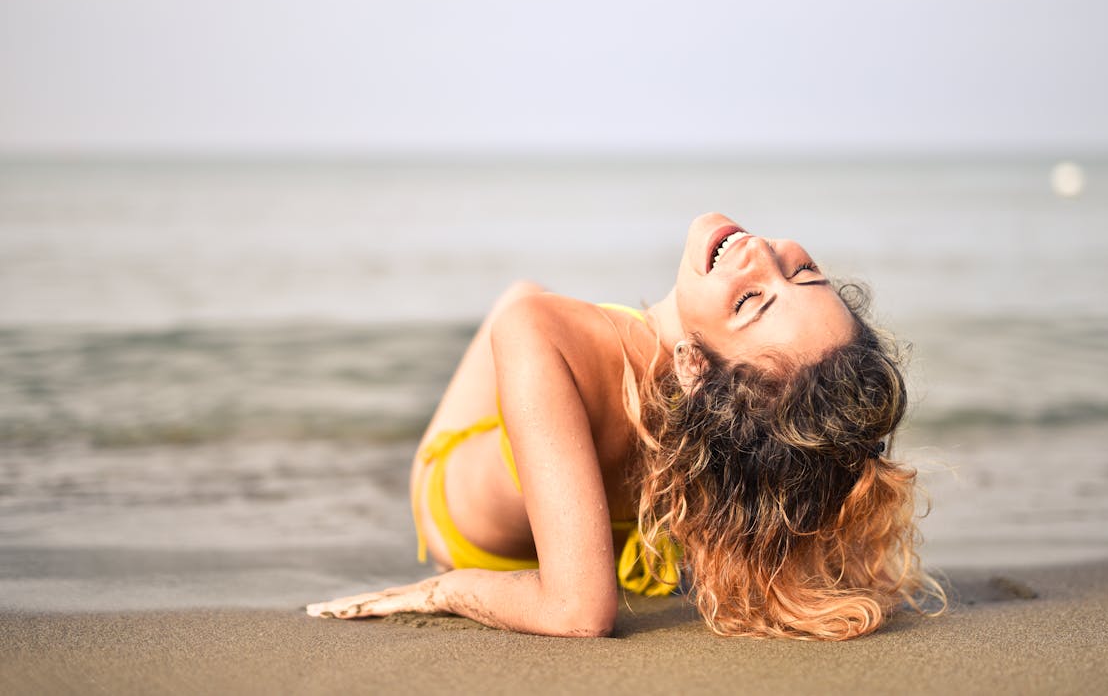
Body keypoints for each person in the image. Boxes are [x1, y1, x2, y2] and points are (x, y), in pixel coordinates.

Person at [306, 212, 944, 639]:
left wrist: (442, 592)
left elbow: (579, 611)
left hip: (460, 525)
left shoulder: (541, 329)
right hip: (622, 522)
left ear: (694, 367)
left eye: (753, 301)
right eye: (804, 274)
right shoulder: (731, 438)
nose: (761, 255)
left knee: (519, 300)